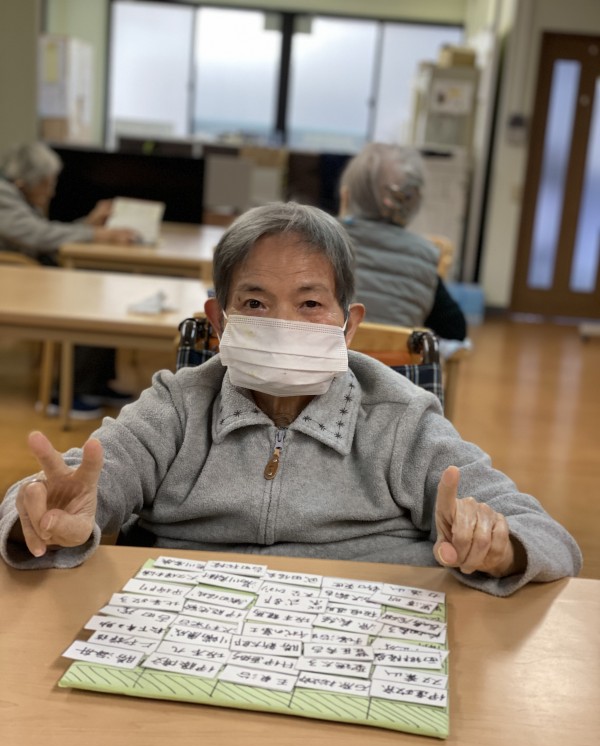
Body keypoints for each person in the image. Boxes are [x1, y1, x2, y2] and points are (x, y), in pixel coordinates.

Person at [0, 202, 581, 597]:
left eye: (310, 304)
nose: (284, 324)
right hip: (194, 632)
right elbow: (71, 487)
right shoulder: (177, 406)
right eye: (255, 303)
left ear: (349, 325)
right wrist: (41, 516)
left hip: (358, 644)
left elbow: (548, 537)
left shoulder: (401, 417)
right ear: (218, 321)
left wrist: (501, 547)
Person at [0, 142, 138, 418]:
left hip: (30, 277)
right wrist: (96, 234)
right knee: (88, 299)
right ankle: (69, 393)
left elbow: (43, 233)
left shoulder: (17, 196)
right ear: (24, 181)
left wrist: (89, 224)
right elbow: (38, 236)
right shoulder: (3, 196)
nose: (51, 191)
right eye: (46, 183)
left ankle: (96, 383)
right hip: (16, 283)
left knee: (99, 289)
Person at [339, 143, 467, 341]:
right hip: (392, 361)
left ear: (349, 193)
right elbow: (456, 330)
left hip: (329, 358)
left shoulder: (323, 240)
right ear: (413, 201)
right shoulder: (423, 256)